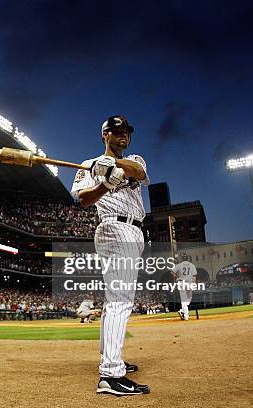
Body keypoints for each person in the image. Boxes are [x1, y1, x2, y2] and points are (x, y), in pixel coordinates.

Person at [71, 115, 150, 396]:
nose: (123, 137)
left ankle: (111, 359)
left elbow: (138, 172)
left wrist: (113, 166)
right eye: (117, 132)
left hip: (133, 230)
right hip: (115, 228)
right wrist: (104, 183)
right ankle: (110, 375)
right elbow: (82, 199)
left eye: (126, 132)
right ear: (105, 135)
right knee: (120, 301)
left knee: (113, 301)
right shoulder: (87, 165)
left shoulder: (134, 159)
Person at [172, 253, 197, 320]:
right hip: (189, 283)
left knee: (185, 300)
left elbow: (172, 272)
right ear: (187, 258)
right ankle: (186, 315)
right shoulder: (192, 265)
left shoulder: (179, 265)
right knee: (188, 299)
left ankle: (182, 311)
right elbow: (194, 276)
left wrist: (177, 277)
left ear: (182, 258)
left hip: (181, 283)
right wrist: (194, 284)